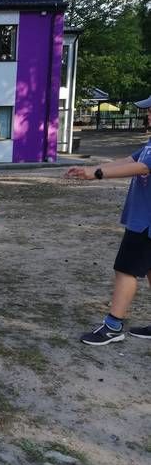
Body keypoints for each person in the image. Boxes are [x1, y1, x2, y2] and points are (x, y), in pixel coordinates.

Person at [70, 99, 151, 345]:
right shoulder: (149, 144)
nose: (148, 113)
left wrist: (97, 174)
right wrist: (93, 169)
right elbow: (129, 160)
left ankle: (113, 326)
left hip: (145, 222)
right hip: (143, 220)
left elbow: (141, 168)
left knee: (126, 270)